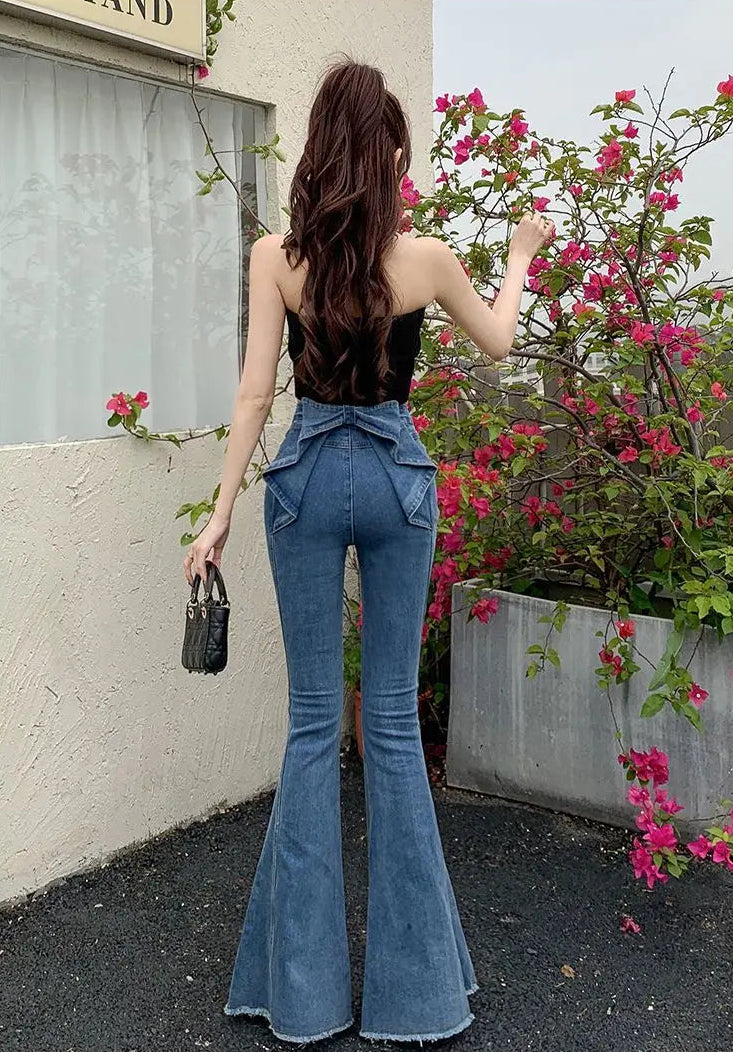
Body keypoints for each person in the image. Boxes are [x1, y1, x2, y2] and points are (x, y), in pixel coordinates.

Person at [183, 58, 553, 1046]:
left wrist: (218, 510)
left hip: (305, 477)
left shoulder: (275, 255)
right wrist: (520, 253)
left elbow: (257, 394)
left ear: (316, 152)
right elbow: (502, 343)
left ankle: (302, 1001)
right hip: (394, 480)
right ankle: (418, 998)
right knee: (388, 727)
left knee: (311, 729)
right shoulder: (424, 258)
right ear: (385, 153)